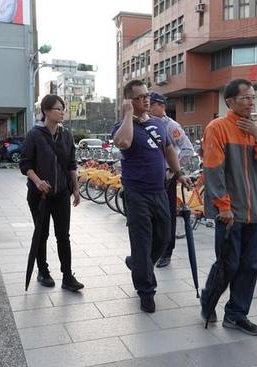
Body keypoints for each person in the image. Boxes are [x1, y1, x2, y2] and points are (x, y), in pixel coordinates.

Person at [200, 78, 257, 335]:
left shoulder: (254, 129)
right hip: (230, 213)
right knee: (228, 264)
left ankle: (236, 314)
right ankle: (208, 300)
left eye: (253, 97)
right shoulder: (218, 127)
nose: (251, 102)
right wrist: (223, 206)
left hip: (254, 211)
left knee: (249, 266)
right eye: (246, 98)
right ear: (230, 101)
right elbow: (213, 170)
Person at [112, 79, 190, 313]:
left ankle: (138, 264)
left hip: (159, 190)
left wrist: (179, 173)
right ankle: (146, 290)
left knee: (164, 238)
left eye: (147, 95)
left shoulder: (159, 124)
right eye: (140, 97)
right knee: (142, 242)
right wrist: (127, 114)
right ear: (129, 101)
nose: (146, 99)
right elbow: (124, 142)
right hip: (136, 194)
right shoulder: (122, 126)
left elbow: (168, 150)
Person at [19, 94, 84, 292]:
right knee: (42, 234)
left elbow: (71, 164)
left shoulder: (66, 135)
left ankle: (67, 276)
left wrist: (75, 188)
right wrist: (38, 182)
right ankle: (43, 271)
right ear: (46, 111)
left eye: (63, 109)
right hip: (40, 195)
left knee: (63, 234)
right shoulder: (34, 135)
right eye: (58, 109)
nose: (62, 112)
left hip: (62, 193)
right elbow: (25, 164)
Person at [149, 92, 194, 268]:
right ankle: (152, 250)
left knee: (167, 216)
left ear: (162, 106)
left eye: (152, 104)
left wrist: (174, 169)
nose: (149, 107)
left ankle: (167, 252)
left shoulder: (171, 126)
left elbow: (188, 149)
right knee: (151, 216)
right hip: (150, 178)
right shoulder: (146, 123)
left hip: (167, 177)